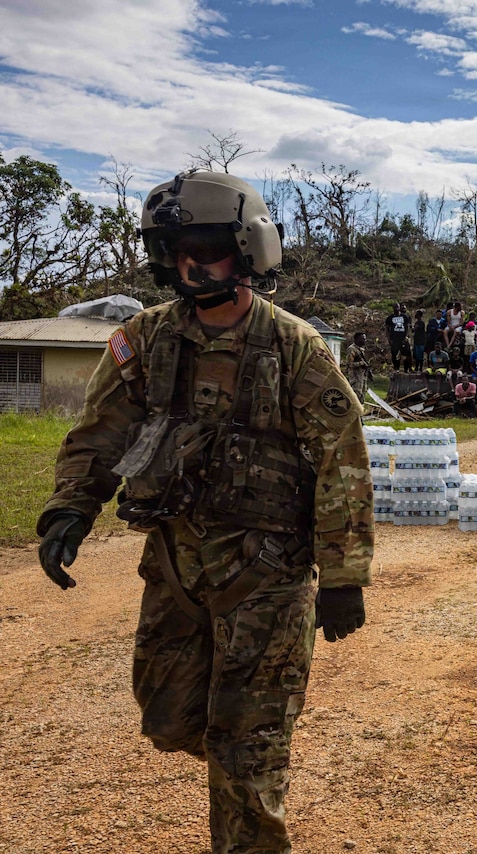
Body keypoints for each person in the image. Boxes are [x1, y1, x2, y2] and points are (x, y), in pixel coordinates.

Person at [37, 170, 372, 854]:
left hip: (268, 583)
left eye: (208, 243)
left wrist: (343, 577)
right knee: (166, 720)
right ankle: (236, 744)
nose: (191, 260)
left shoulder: (294, 349)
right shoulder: (145, 341)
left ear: (248, 247)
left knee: (247, 760)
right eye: (175, 246)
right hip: (175, 574)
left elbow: (343, 460)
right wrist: (69, 509)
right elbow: (100, 433)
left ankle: (248, 766)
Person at [344, 331, 372, 408]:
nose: (364, 341)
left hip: (362, 377)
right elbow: (350, 364)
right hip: (355, 377)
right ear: (356, 339)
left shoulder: (361, 350)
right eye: (362, 339)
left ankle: (360, 414)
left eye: (365, 339)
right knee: (356, 396)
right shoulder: (352, 349)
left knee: (362, 396)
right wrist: (361, 364)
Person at [384, 302, 411, 372]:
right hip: (394, 339)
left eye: (397, 307)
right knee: (395, 355)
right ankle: (396, 368)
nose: (396, 308)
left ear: (399, 308)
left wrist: (406, 337)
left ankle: (406, 369)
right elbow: (387, 330)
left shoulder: (405, 317)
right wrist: (389, 339)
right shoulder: (389, 318)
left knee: (406, 355)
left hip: (403, 339)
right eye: (395, 307)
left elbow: (408, 328)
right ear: (393, 308)